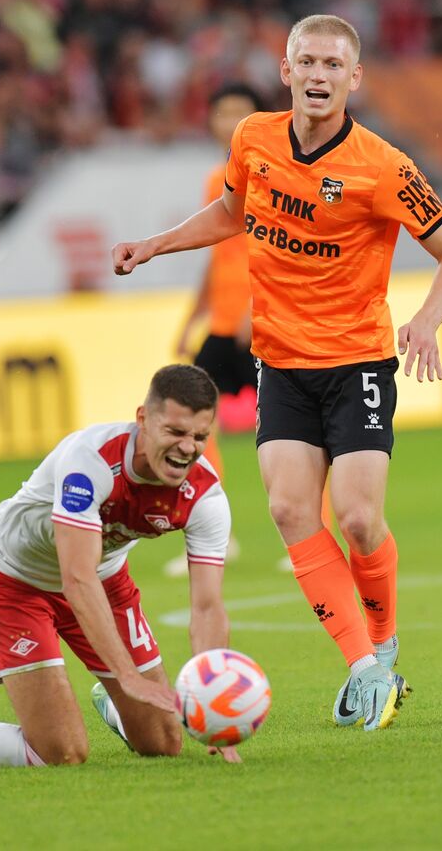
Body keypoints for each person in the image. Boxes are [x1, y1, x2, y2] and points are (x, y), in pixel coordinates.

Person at [111, 15, 442, 732]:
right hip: (282, 363)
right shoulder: (252, 140)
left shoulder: (384, 166)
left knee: (362, 520)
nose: (317, 75)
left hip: (358, 361)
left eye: (332, 65)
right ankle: (366, 669)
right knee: (287, 511)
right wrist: (157, 245)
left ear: (354, 79)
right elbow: (231, 211)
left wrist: (426, 320)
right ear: (285, 71)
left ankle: (385, 641)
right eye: (305, 61)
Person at [0, 365, 240, 770]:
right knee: (61, 753)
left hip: (105, 581)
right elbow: (75, 578)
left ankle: (113, 703)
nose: (188, 448)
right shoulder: (91, 461)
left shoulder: (204, 495)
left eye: (200, 437)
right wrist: (128, 677)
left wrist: (212, 701)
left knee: (164, 742)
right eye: (176, 432)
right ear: (143, 420)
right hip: (11, 580)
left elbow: (206, 607)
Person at [165, 82, 262, 578]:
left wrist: (256, 306)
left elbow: (273, 247)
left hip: (263, 322)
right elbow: (219, 252)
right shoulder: (216, 180)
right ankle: (215, 534)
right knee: (191, 421)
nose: (229, 121)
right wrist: (192, 318)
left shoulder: (270, 175)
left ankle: (316, 536)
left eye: (239, 112)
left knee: (299, 433)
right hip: (223, 325)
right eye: (222, 112)